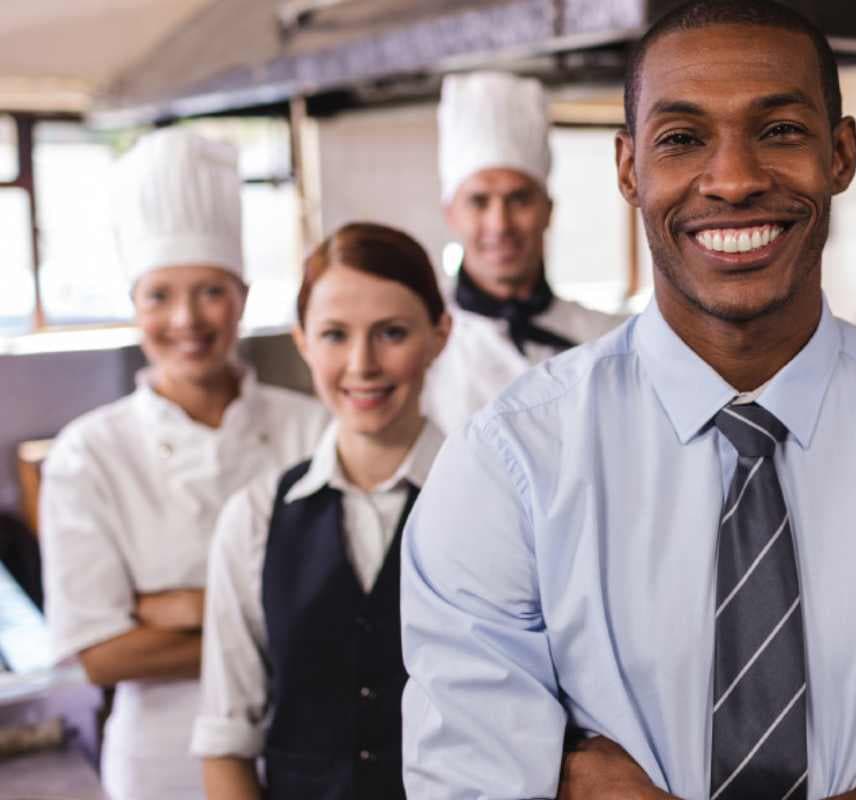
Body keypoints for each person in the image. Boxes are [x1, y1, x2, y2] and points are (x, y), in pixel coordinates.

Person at [400, 1, 856, 798]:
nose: (734, 180)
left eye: (780, 131)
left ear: (841, 154)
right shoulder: (507, 467)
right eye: (682, 138)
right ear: (629, 170)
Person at [38, 128, 327, 800]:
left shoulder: (312, 427)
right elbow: (100, 654)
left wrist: (181, 609)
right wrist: (278, 621)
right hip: (159, 762)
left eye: (210, 291)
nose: (187, 319)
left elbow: (357, 604)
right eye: (159, 295)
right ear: (133, 305)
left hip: (309, 747)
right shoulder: (88, 454)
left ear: (244, 296)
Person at [191, 223, 450, 798]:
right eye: (335, 335)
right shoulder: (254, 517)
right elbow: (227, 743)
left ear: (440, 334)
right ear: (303, 342)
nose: (362, 364)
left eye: (392, 333)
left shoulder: (493, 506)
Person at [423, 70, 624, 434]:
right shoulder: (426, 352)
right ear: (450, 213)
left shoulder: (610, 339)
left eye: (519, 199)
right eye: (479, 201)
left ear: (549, 210)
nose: (500, 224)